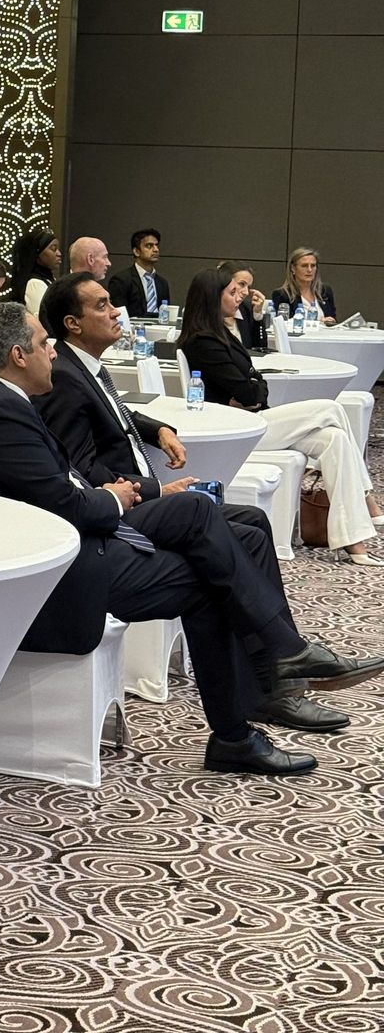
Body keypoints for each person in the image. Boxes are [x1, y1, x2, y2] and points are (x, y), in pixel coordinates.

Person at [0, 304, 384, 775]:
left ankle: (264, 691)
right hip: (58, 572)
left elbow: (60, 487)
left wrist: (116, 495)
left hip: (74, 542)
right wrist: (114, 498)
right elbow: (67, 506)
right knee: (206, 550)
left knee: (228, 534)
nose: (52, 352)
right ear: (18, 355)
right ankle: (271, 675)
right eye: (44, 344)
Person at [38, 273, 349, 732]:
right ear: (73, 323)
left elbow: (115, 413)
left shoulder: (84, 367)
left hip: (136, 499)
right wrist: (156, 491)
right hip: (119, 511)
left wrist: (158, 428)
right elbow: (81, 469)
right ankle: (281, 666)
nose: (116, 311)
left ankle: (277, 678)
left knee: (252, 523)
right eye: (102, 305)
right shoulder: (65, 376)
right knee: (206, 515)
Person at [178, 268, 379, 563]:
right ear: (212, 298)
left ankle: (353, 541)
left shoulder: (223, 333)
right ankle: (367, 497)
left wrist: (253, 388)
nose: (239, 297)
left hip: (253, 418)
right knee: (331, 408)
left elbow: (257, 383)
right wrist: (252, 389)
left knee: (334, 439)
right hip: (239, 431)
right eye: (232, 292)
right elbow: (250, 392)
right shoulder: (202, 342)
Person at [108, 228, 170, 318]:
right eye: (149, 246)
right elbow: (119, 316)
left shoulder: (162, 283)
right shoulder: (121, 280)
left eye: (156, 245)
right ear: (136, 251)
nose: (156, 249)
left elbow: (165, 314)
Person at [273, 247, 337, 325]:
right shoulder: (282, 294)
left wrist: (330, 321)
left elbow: (333, 319)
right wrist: (319, 322)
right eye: (304, 266)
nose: (309, 270)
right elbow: (283, 323)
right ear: (293, 268)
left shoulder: (325, 291)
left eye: (313, 266)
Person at [7, 228, 60, 314]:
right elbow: (41, 318)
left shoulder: (48, 279)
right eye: (53, 249)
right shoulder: (34, 283)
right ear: (37, 253)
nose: (59, 253)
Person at [217, 261, 268, 350]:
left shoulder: (245, 308)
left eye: (248, 287)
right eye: (241, 284)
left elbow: (260, 347)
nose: (246, 292)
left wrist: (257, 315)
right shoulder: (209, 311)